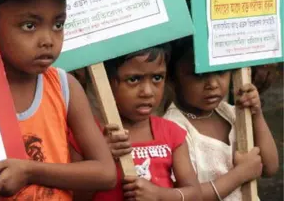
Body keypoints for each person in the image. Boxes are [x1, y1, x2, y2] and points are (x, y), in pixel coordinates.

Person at [0, 0, 116, 200]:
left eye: (58, 24)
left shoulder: (65, 86)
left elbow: (106, 173)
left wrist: (31, 171)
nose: (48, 40)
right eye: (29, 25)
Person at [70, 44, 202, 200]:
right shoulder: (86, 136)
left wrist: (160, 195)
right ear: (106, 83)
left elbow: (194, 194)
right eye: (133, 79)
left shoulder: (172, 133)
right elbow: (74, 197)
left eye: (157, 78)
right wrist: (101, 157)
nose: (147, 92)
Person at [164, 36, 279, 201]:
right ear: (172, 78)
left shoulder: (233, 113)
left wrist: (256, 114)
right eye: (199, 75)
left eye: (220, 71)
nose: (212, 84)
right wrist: (240, 174)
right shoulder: (173, 128)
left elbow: (270, 167)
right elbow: (185, 196)